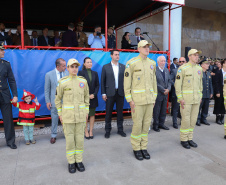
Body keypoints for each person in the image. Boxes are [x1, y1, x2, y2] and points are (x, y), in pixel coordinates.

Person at [124, 40, 157, 160]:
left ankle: (144, 147)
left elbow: (154, 82)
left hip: (149, 100)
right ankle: (136, 148)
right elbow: (127, 83)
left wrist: (154, 97)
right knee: (137, 125)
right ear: (138, 49)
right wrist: (129, 100)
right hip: (137, 101)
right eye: (144, 47)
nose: (147, 49)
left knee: (146, 125)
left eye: (148, 47)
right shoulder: (131, 63)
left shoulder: (152, 63)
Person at [55, 58, 89, 173]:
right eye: (72, 67)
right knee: (70, 140)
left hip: (80, 117)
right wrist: (60, 113)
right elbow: (57, 100)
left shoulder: (83, 81)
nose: (74, 69)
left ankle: (79, 161)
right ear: (68, 68)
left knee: (79, 140)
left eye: (76, 67)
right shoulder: (62, 82)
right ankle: (71, 162)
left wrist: (86, 112)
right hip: (68, 117)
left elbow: (86, 98)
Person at [175, 49, 203, 149]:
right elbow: (177, 86)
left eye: (197, 55)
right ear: (189, 56)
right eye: (195, 55)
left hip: (196, 100)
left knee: (193, 119)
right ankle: (183, 139)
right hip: (186, 100)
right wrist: (180, 98)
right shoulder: (182, 69)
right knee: (186, 120)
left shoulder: (199, 68)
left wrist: (200, 96)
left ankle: (189, 138)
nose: (197, 57)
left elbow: (200, 85)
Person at [101, 50, 126, 138]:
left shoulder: (123, 67)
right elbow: (103, 81)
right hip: (109, 93)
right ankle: (107, 131)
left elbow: (125, 81)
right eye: (115, 54)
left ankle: (120, 130)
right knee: (108, 113)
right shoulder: (105, 67)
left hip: (120, 93)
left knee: (120, 113)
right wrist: (103, 93)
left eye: (118, 55)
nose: (117, 56)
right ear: (111, 56)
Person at [45, 58, 68, 144]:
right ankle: (53, 135)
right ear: (58, 66)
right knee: (54, 119)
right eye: (63, 66)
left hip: (66, 101)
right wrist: (48, 101)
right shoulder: (49, 75)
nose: (65, 67)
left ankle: (67, 134)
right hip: (54, 101)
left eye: (65, 65)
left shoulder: (67, 73)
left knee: (66, 119)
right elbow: (47, 89)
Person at [0, 41, 18, 149]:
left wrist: (15, 95)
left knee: (8, 120)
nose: (4, 52)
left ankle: (10, 141)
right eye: (2, 50)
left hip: (5, 95)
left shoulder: (6, 64)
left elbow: (11, 80)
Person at [78, 57, 99, 139]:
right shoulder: (81, 73)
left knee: (92, 115)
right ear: (84, 64)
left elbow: (97, 85)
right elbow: (80, 86)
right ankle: (86, 131)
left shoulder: (95, 73)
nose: (90, 63)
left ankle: (91, 131)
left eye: (90, 62)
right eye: (88, 62)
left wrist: (94, 94)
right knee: (85, 116)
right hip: (84, 98)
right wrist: (87, 96)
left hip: (93, 97)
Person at [153, 56, 171, 132]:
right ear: (158, 62)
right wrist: (163, 90)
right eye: (162, 61)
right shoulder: (154, 70)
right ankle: (155, 125)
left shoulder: (166, 70)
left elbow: (169, 81)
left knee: (163, 110)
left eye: (164, 61)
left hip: (165, 94)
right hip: (158, 94)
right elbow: (154, 82)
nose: (163, 62)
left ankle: (161, 124)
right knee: (156, 111)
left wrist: (168, 89)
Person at [170, 57, 186, 129]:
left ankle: (183, 121)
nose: (182, 63)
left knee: (184, 108)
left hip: (185, 93)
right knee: (175, 108)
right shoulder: (174, 70)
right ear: (178, 63)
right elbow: (170, 80)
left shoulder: (188, 70)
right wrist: (176, 85)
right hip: (177, 93)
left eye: (183, 61)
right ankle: (175, 122)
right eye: (180, 61)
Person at [196, 60, 213, 126]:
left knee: (206, 107)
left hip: (207, 93)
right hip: (201, 93)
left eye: (208, 64)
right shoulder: (199, 73)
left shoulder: (208, 73)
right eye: (206, 64)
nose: (208, 65)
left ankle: (204, 118)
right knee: (199, 107)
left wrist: (211, 92)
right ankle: (198, 119)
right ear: (202, 65)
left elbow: (210, 83)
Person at [214, 60, 226, 125]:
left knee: (224, 105)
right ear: (223, 64)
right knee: (218, 104)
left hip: (225, 91)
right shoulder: (218, 72)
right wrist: (217, 91)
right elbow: (216, 83)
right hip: (219, 90)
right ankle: (218, 118)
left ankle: (222, 117)